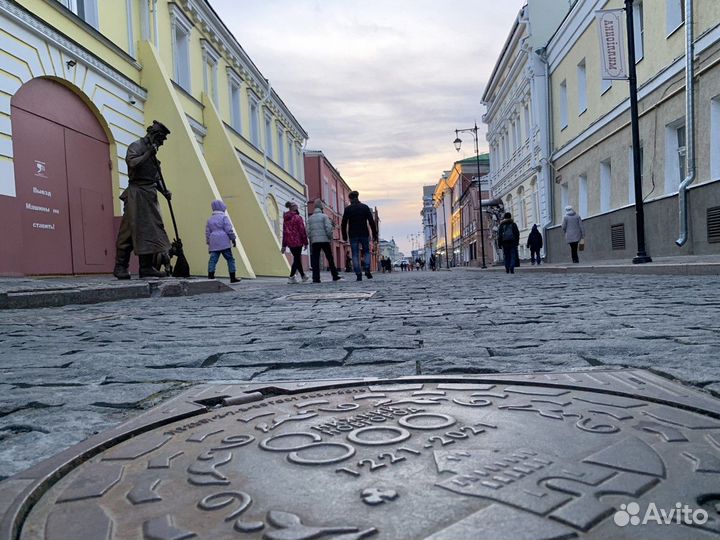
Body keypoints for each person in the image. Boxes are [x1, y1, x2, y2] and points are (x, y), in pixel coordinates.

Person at [113, 121, 172, 279]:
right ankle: (120, 267)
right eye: (160, 140)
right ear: (154, 136)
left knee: (150, 231)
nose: (161, 144)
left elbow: (155, 177)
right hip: (136, 194)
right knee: (128, 231)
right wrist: (148, 154)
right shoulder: (136, 146)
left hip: (149, 196)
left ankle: (146, 267)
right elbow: (132, 163)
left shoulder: (153, 151)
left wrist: (164, 191)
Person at [341, 191, 378, 281]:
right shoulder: (364, 207)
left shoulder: (348, 209)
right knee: (366, 252)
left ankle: (358, 274)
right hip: (364, 233)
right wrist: (374, 234)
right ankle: (367, 269)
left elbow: (343, 223)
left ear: (350, 199)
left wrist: (344, 236)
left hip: (353, 234)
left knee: (355, 254)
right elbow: (371, 222)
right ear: (357, 197)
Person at [307, 199, 341, 283]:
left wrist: (311, 238)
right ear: (321, 208)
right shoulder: (324, 216)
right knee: (330, 258)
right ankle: (334, 275)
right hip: (325, 240)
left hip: (315, 241)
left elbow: (308, 230)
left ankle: (316, 278)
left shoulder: (310, 218)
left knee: (315, 260)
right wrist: (330, 237)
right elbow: (328, 228)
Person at [205, 200, 240, 283]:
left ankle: (211, 276)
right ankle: (232, 277)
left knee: (213, 260)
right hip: (224, 241)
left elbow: (207, 232)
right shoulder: (224, 217)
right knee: (230, 259)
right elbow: (228, 229)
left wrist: (208, 241)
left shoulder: (210, 219)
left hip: (214, 241)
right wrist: (233, 239)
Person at [281, 201, 309, 283]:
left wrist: (284, 245)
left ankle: (303, 276)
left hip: (290, 242)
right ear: (293, 208)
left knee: (297, 258)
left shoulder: (285, 218)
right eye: (296, 206)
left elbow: (284, 232)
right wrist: (306, 242)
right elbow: (302, 230)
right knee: (297, 259)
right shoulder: (298, 217)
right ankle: (291, 277)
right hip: (298, 241)